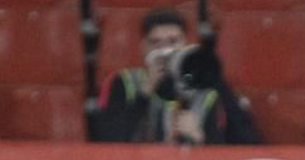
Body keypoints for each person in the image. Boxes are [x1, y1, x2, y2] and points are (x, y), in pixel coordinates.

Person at [91, 9, 260, 145]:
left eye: (173, 42)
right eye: (156, 43)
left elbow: (245, 144)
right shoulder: (122, 83)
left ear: (185, 44)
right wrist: (144, 94)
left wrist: (201, 139)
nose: (165, 51)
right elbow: (105, 142)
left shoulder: (208, 86)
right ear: (144, 47)